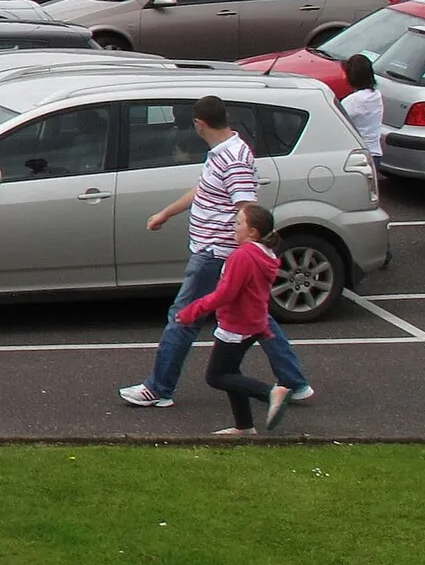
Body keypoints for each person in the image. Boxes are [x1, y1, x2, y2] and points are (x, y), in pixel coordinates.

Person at [120, 95, 312, 409]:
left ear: (200, 123)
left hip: (215, 252)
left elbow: (247, 208)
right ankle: (295, 383)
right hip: (216, 250)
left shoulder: (232, 158)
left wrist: (246, 251)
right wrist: (167, 213)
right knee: (259, 318)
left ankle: (159, 388)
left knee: (183, 318)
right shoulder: (225, 152)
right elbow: (204, 190)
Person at [177, 202, 292, 436]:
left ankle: (270, 392)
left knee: (216, 376)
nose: (234, 227)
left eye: (239, 223)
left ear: (253, 232)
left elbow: (225, 293)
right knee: (231, 372)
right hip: (252, 324)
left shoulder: (242, 257)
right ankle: (244, 425)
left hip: (236, 326)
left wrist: (192, 310)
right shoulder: (265, 254)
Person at [338, 52, 383, 163]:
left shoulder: (352, 101)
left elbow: (337, 123)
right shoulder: (376, 95)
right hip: (375, 153)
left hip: (358, 156)